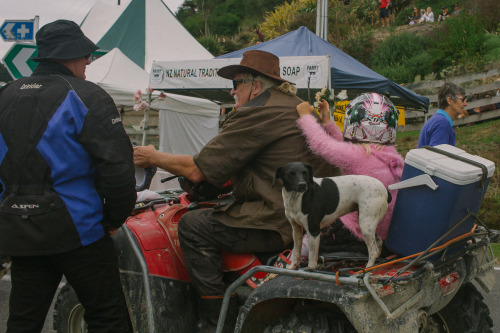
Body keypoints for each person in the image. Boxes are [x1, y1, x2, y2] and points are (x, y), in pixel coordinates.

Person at [133, 50, 340, 332]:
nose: (232, 91)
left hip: (282, 219)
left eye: (236, 83)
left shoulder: (255, 112)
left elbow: (198, 170)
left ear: (255, 85)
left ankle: (217, 321)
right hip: (321, 213)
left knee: (193, 225)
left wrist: (153, 157)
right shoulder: (299, 105)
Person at [0, 20, 136, 332]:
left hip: (21, 228)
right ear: (71, 56)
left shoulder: (4, 95)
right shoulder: (87, 95)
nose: (88, 63)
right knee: (107, 318)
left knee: (23, 322)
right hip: (80, 229)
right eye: (86, 57)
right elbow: (118, 168)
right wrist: (113, 218)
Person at [296, 93, 404, 253]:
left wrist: (306, 117)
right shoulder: (388, 153)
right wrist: (327, 123)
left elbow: (321, 145)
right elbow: (347, 149)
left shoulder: (358, 155)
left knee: (307, 242)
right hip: (382, 230)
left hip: (356, 232)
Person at [418, 82, 467, 147]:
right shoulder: (442, 123)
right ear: (449, 100)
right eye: (462, 100)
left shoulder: (437, 119)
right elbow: (438, 155)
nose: (465, 104)